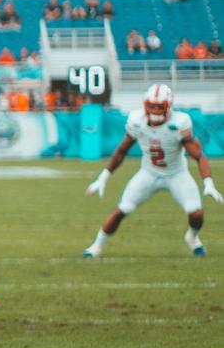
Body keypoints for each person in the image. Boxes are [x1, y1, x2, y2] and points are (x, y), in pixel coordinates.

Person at [83, 84, 222, 259]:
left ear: (169, 106)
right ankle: (96, 246)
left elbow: (199, 155)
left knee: (197, 213)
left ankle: (192, 238)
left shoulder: (179, 123)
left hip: (176, 174)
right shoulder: (136, 121)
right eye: (152, 105)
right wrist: (103, 176)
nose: (155, 110)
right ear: (145, 105)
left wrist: (208, 182)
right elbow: (121, 151)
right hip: (148, 173)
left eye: (160, 106)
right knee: (122, 209)